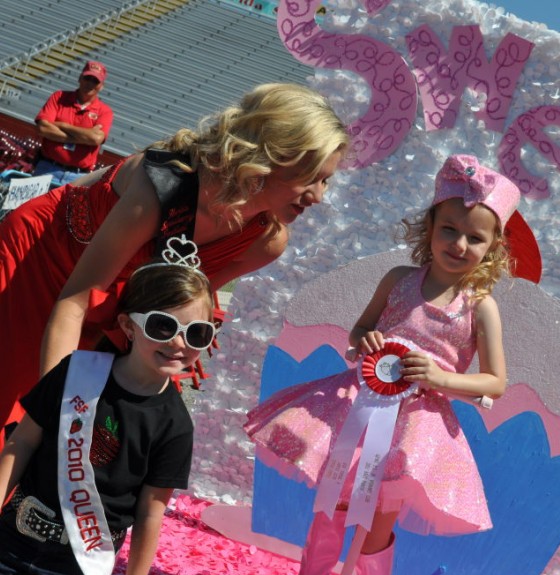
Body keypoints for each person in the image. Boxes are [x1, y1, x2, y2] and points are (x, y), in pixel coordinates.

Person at [0, 82, 349, 446]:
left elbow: (179, 297)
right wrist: (59, 414)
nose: (319, 196)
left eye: (327, 181)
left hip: (112, 302)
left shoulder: (265, 242)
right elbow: (74, 300)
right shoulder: (164, 186)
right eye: (312, 179)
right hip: (38, 260)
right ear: (274, 157)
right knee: (25, 411)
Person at [244, 154, 517, 575]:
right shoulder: (399, 279)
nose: (460, 244)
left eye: (475, 238)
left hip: (413, 430)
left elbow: (495, 382)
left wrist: (440, 377)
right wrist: (366, 340)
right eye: (449, 229)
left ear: (492, 247)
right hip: (355, 409)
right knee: (329, 510)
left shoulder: (479, 307)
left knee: (375, 529)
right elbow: (361, 328)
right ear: (429, 227)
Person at [0, 246, 215, 575]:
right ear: (128, 325)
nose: (179, 343)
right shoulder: (75, 373)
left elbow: (150, 513)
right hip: (10, 540)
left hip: (79, 566)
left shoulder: (175, 426)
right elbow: (20, 443)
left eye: (197, 333)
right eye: (163, 326)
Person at [33, 60, 114, 189]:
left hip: (78, 176)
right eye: (87, 78)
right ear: (80, 78)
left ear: (101, 86)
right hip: (47, 168)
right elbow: (42, 128)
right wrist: (82, 138)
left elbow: (96, 138)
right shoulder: (59, 97)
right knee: (31, 208)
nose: (90, 83)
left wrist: (63, 126)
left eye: (95, 81)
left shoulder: (105, 111)